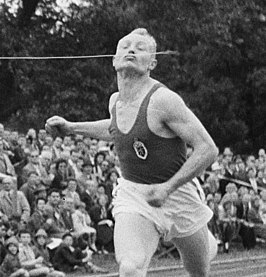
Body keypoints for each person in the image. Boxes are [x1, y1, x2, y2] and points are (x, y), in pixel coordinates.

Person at [46, 28, 218, 277]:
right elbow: (116, 128)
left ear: (152, 63)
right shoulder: (115, 100)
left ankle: (207, 242)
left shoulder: (164, 100)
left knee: (198, 271)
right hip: (134, 193)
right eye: (125, 46)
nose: (131, 50)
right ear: (114, 60)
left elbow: (208, 149)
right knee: (130, 268)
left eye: (140, 47)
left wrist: (166, 188)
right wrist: (72, 128)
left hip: (178, 194)